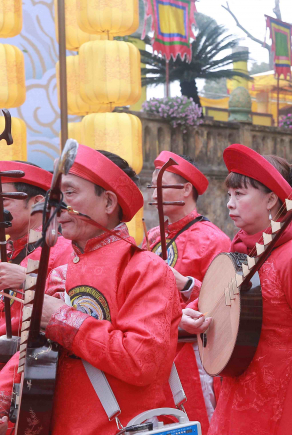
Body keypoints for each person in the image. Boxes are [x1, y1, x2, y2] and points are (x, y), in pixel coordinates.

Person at [0, 146, 182, 434]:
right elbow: (33, 350)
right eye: (55, 196)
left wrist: (61, 318)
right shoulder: (60, 271)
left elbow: (141, 361)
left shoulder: (145, 269)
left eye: (69, 194)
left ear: (108, 201)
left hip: (124, 425)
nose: (57, 206)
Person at [181, 144, 292, 435]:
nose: (229, 204)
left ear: (271, 199)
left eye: (240, 194)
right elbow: (217, 303)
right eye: (230, 195)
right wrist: (192, 315)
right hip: (239, 391)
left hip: (290, 396)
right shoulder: (239, 253)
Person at [144, 151, 231, 431]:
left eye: (161, 185)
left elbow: (226, 299)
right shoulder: (152, 237)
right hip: (153, 348)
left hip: (193, 352)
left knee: (195, 418)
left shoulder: (214, 239)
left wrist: (186, 284)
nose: (153, 193)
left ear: (185, 190)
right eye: (151, 185)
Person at [0, 161, 72, 339]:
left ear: (38, 203)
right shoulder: (6, 249)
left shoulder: (64, 251)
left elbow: (74, 314)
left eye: (3, 200)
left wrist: (28, 281)